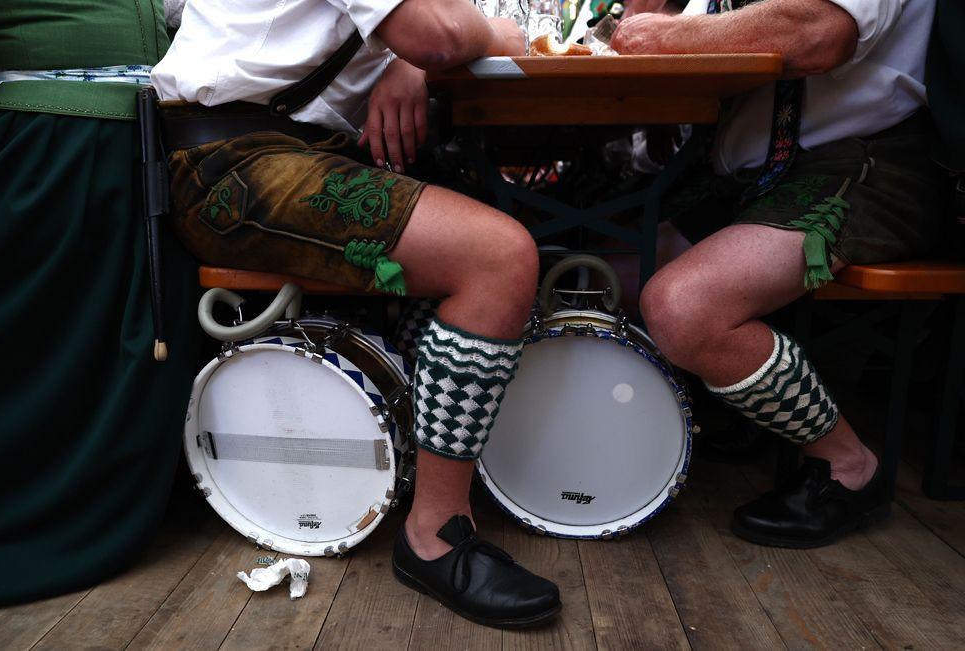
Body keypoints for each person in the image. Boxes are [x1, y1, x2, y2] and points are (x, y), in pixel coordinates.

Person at [151, 0, 561, 628]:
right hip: (231, 163)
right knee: (497, 258)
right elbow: (442, 34)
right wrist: (421, 50)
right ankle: (435, 537)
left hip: (278, 152)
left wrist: (415, 59)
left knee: (479, 237)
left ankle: (425, 476)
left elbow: (496, 33)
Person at [612, 0, 943, 547]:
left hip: (862, 162)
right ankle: (739, 413)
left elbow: (817, 31)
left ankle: (849, 466)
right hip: (756, 176)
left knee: (686, 306)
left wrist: (670, 32)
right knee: (603, 270)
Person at [0, 1, 202, 605]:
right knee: (29, 352)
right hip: (35, 153)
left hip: (159, 148)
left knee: (139, 345)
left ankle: (131, 488)